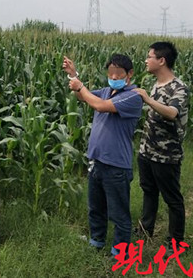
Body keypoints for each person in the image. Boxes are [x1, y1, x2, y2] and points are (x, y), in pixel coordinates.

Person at [63, 54, 143, 257]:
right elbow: (84, 97)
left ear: (130, 74)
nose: (113, 76)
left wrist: (80, 86)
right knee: (96, 208)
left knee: (119, 213)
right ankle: (96, 242)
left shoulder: (133, 96)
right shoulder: (106, 91)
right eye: (111, 72)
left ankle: (120, 254)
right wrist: (73, 75)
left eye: (119, 73)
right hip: (96, 161)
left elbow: (100, 106)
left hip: (116, 165)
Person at [132, 42, 189, 251]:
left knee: (172, 199)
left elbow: (172, 113)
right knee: (149, 191)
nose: (146, 60)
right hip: (147, 151)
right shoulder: (155, 84)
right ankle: (145, 230)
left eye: (150, 56)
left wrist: (147, 99)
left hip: (166, 155)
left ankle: (176, 242)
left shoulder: (179, 88)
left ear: (162, 60)